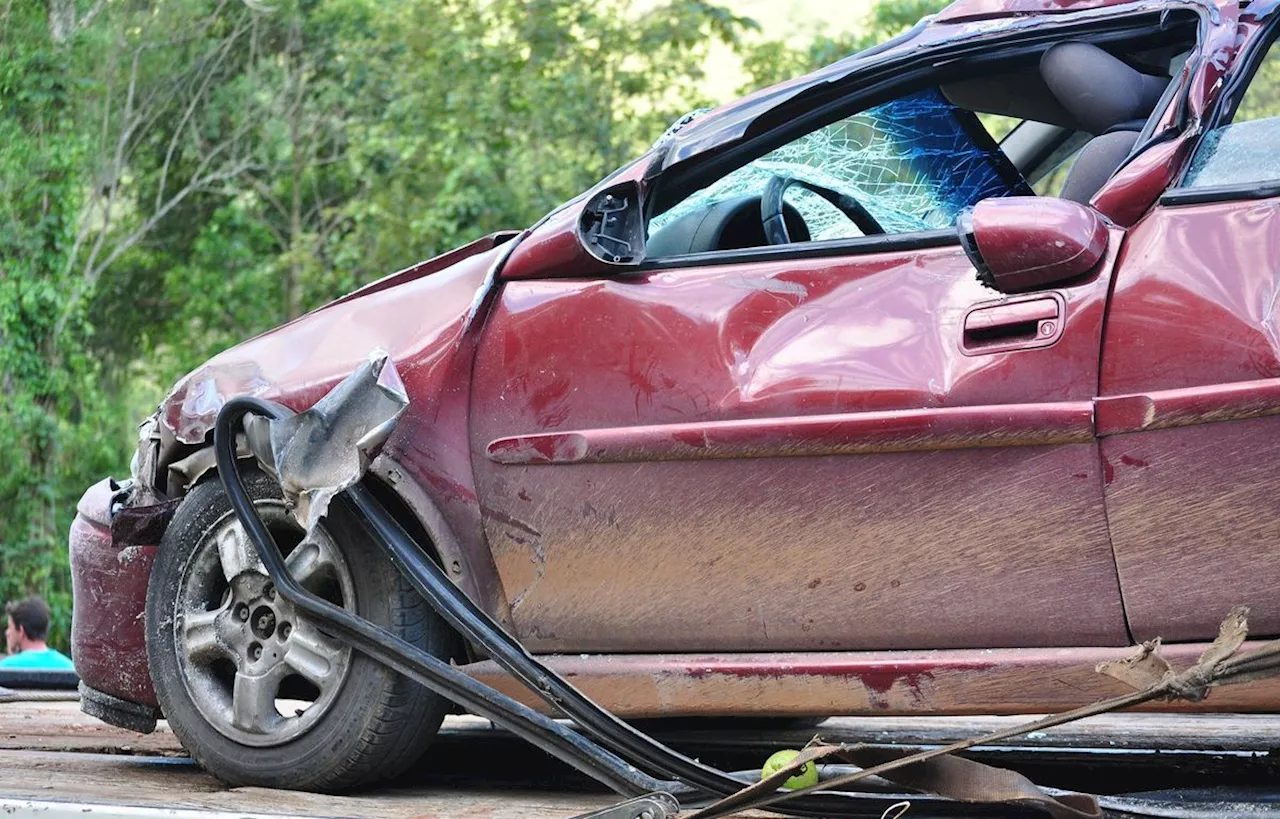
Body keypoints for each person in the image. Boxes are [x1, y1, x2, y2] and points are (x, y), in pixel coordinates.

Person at [2, 595, 74, 670]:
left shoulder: (6, 667)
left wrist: (11, 656)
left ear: (21, 631)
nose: (7, 633)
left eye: (10, 627)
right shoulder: (70, 667)